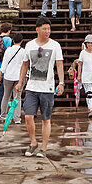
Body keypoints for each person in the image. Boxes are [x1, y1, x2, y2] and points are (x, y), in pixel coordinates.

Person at [16, 16, 64, 159]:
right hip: (31, 87)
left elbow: (59, 65)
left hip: (47, 88)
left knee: (45, 119)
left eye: (48, 28)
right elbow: (25, 64)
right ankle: (33, 142)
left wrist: (61, 83)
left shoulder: (55, 45)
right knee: (28, 116)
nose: (47, 31)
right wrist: (20, 82)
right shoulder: (30, 45)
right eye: (44, 28)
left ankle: (43, 147)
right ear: (37, 29)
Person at [0, 35, 28, 123]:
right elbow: (26, 65)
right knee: (17, 97)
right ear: (21, 41)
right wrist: (26, 75)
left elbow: (4, 62)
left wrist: (1, 73)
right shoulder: (24, 51)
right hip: (19, 77)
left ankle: (3, 115)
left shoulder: (8, 50)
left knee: (6, 96)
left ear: (13, 40)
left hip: (8, 76)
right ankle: (17, 118)